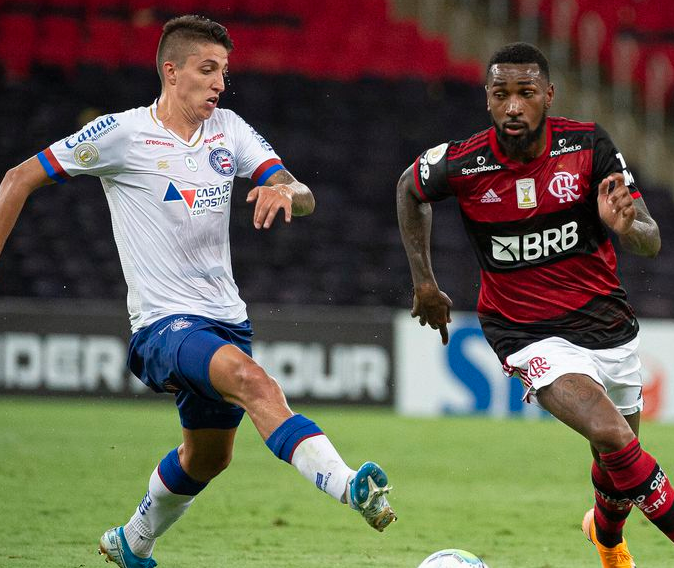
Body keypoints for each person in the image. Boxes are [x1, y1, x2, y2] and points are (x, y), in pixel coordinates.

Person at [0, 15, 396, 568]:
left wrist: (287, 192)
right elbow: (17, 179)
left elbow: (298, 190)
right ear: (171, 71)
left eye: (224, 72)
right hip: (162, 325)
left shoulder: (229, 129)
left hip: (226, 319)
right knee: (254, 382)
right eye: (207, 70)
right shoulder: (122, 133)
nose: (219, 83)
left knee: (207, 458)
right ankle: (349, 484)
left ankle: (133, 540)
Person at [396, 42, 674, 568]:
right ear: (487, 99)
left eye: (526, 93)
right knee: (611, 434)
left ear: (548, 95)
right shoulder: (465, 162)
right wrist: (424, 283)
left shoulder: (588, 146)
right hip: (524, 330)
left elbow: (651, 237)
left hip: (605, 323)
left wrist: (629, 228)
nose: (513, 106)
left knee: (617, 464)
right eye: (501, 93)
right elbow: (408, 188)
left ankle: (605, 535)